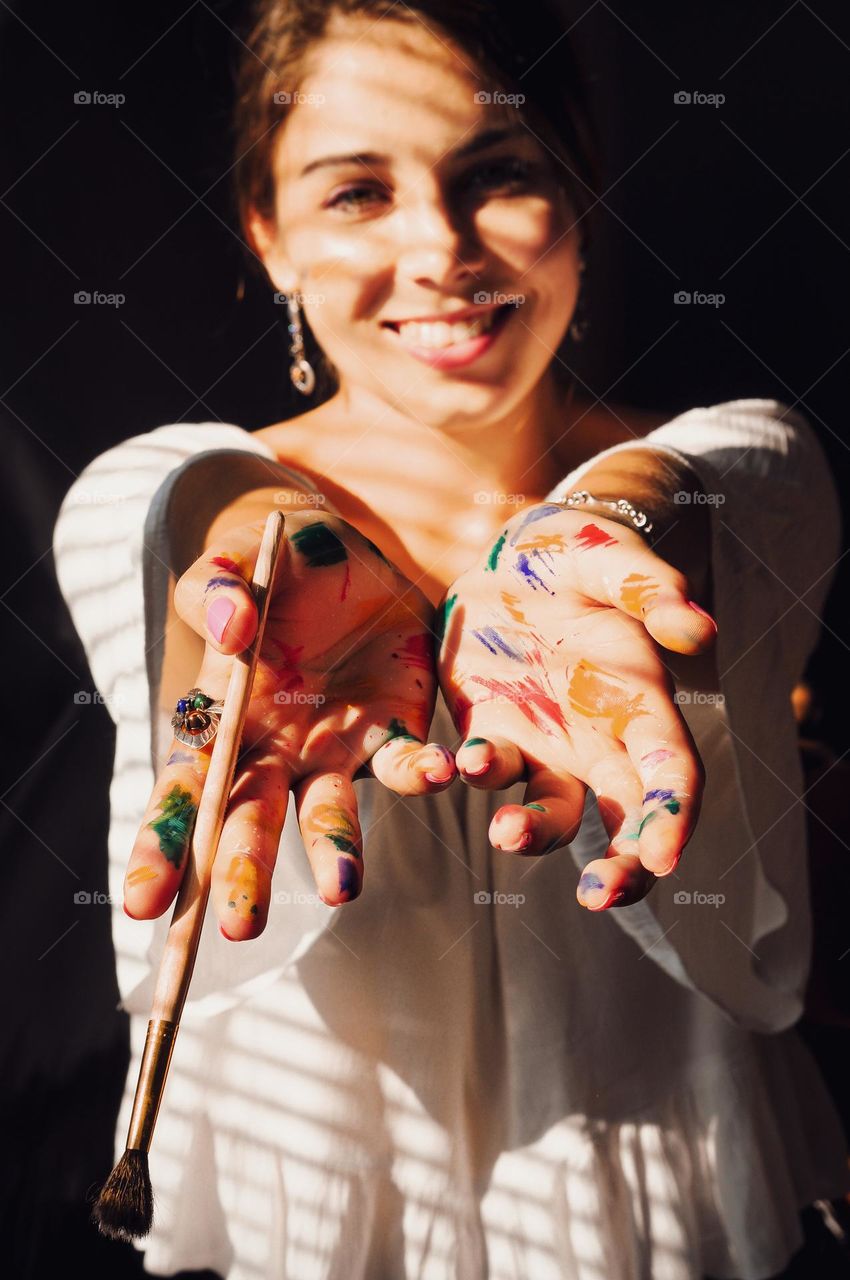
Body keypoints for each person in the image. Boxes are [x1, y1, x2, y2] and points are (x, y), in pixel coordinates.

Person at [53, 1, 849, 1276]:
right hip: (327, 1206)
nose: (439, 249)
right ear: (269, 237)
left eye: (498, 176)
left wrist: (587, 530)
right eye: (358, 192)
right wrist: (270, 545)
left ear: (577, 192)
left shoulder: (747, 473)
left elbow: (699, 485)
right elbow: (190, 507)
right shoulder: (148, 494)